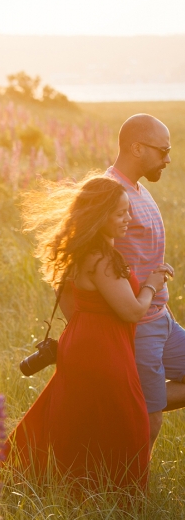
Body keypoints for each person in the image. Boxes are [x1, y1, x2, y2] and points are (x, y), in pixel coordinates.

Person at [2, 176, 169, 489]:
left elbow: (70, 304)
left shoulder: (77, 254)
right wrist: (152, 285)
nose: (128, 219)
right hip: (105, 350)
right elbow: (132, 311)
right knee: (129, 422)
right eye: (120, 213)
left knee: (80, 422)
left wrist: (89, 327)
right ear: (100, 215)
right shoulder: (103, 259)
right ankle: (120, 499)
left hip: (79, 343)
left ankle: (76, 491)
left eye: (128, 211)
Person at [94, 114, 185, 451]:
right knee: (149, 420)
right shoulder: (111, 193)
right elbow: (91, 261)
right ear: (136, 148)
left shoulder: (138, 188)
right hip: (139, 325)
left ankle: (135, 399)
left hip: (161, 319)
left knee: (148, 407)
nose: (168, 158)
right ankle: (132, 492)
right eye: (163, 150)